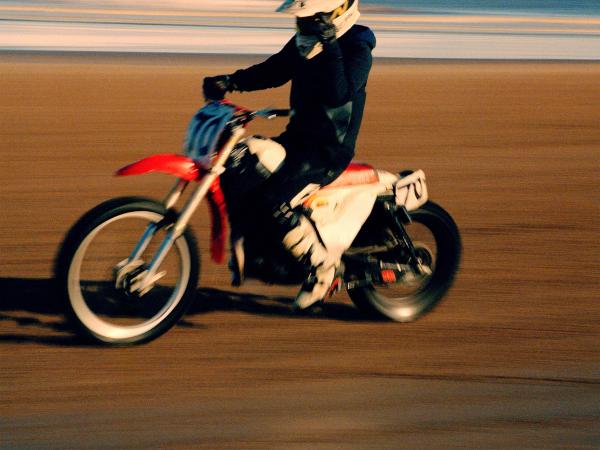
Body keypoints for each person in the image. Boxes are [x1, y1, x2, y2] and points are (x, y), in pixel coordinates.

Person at [203, 0, 376, 310]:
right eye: (303, 20)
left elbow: (339, 93)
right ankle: (254, 246)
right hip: (296, 141)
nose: (305, 26)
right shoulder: (305, 42)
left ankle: (323, 270)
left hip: (326, 153)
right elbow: (275, 70)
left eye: (312, 20)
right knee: (239, 163)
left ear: (336, 14)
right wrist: (231, 81)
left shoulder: (357, 46)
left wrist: (330, 43)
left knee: (274, 201)